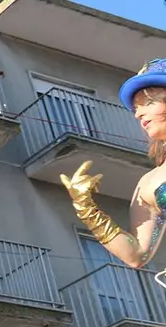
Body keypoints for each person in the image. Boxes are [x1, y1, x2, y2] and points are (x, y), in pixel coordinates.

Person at [63, 58, 166, 274]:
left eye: (148, 103)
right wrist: (87, 208)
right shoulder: (150, 183)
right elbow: (137, 255)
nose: (138, 114)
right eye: (136, 109)